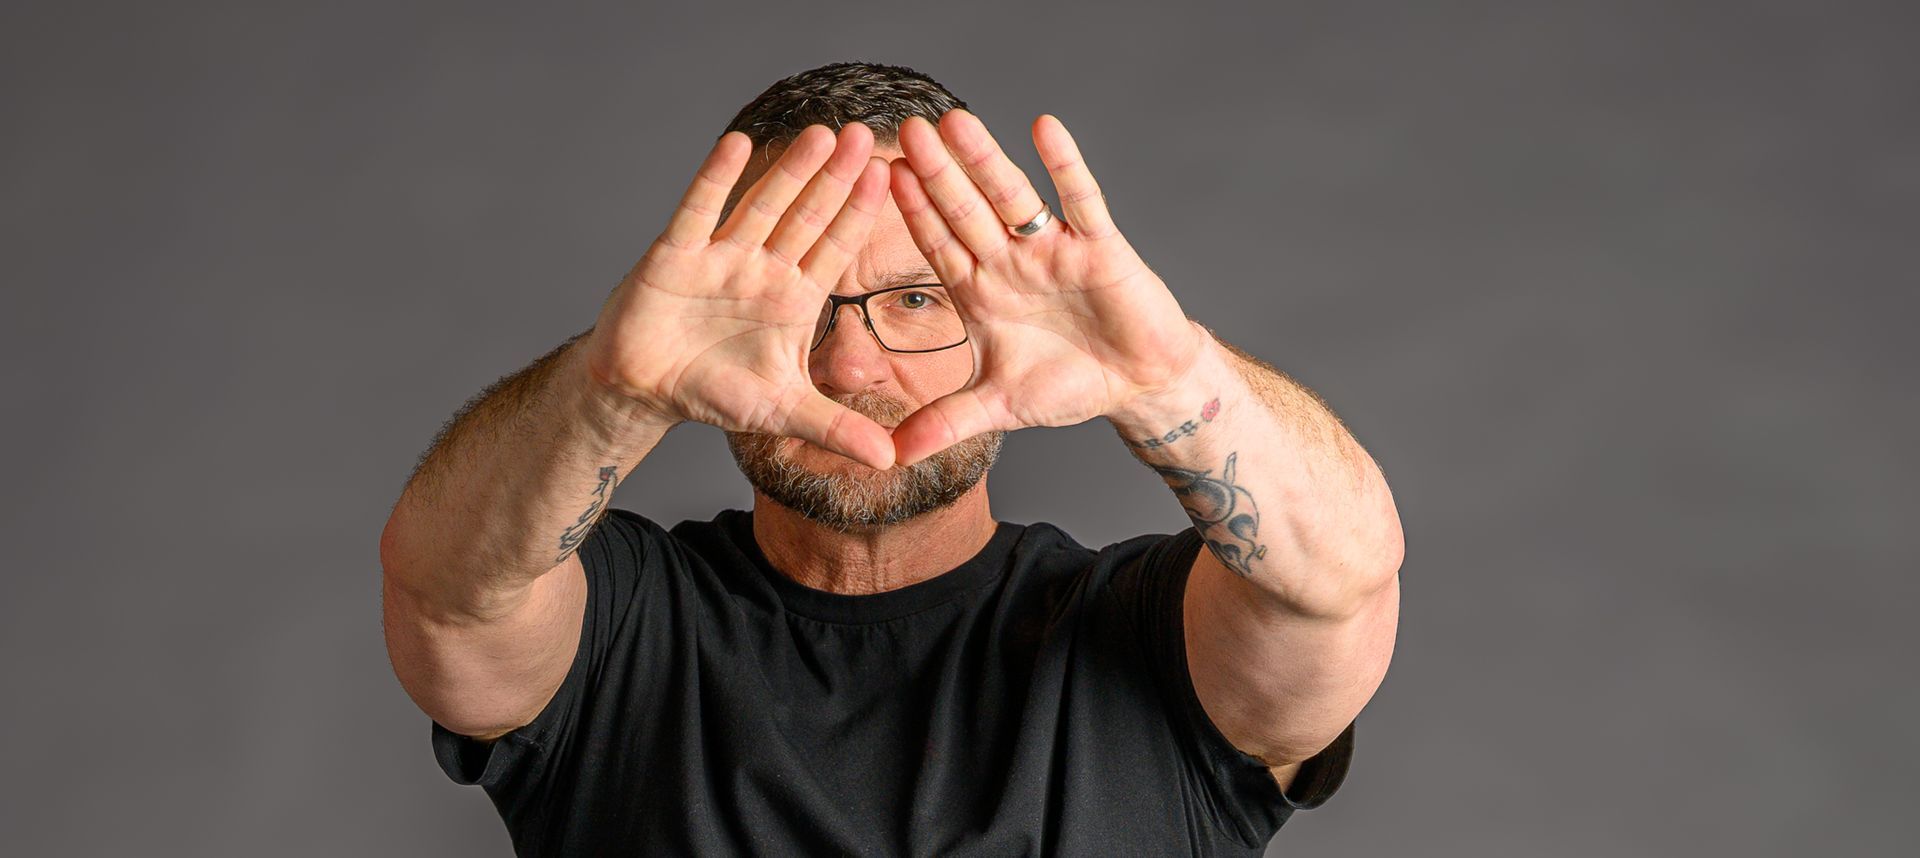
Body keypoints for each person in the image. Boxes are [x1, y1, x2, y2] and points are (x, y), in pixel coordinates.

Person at [380, 62, 1403, 856]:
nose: (850, 364)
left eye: (917, 299)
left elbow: (1342, 585)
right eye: (795, 302)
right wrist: (612, 389)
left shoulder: (1154, 639)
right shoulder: (618, 630)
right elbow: (445, 593)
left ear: (997, 320)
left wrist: (1169, 378)